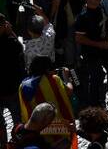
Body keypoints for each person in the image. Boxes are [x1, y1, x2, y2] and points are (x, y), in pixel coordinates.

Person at [74, 0, 108, 109]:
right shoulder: (83, 17)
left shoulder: (101, 7)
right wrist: (99, 44)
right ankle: (95, 106)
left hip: (106, 48)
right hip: (92, 52)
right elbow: (79, 38)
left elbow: (105, 22)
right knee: (96, 78)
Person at [18, 56, 76, 149]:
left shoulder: (23, 86)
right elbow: (69, 91)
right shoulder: (54, 79)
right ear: (48, 68)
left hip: (39, 133)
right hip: (61, 130)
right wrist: (66, 77)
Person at [0, 12, 25, 146]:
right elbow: (21, 50)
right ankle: (18, 143)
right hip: (12, 89)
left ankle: (3, 144)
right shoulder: (11, 42)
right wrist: (11, 32)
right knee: (17, 120)